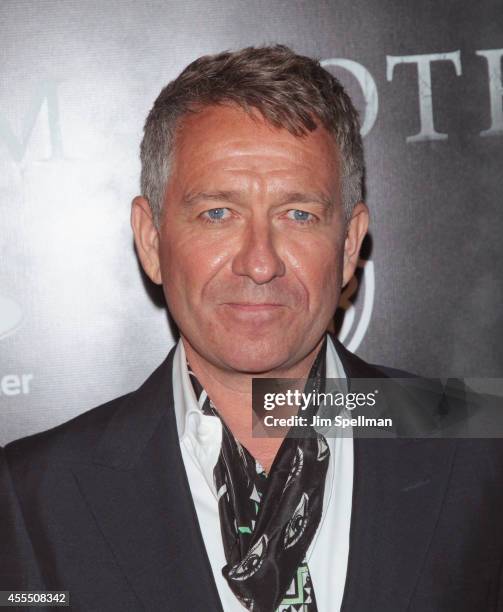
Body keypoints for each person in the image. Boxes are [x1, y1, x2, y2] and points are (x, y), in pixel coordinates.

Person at [1, 45, 503, 612]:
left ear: (348, 243)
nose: (259, 262)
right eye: (218, 213)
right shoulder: (32, 499)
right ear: (150, 239)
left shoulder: (482, 457)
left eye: (298, 214)